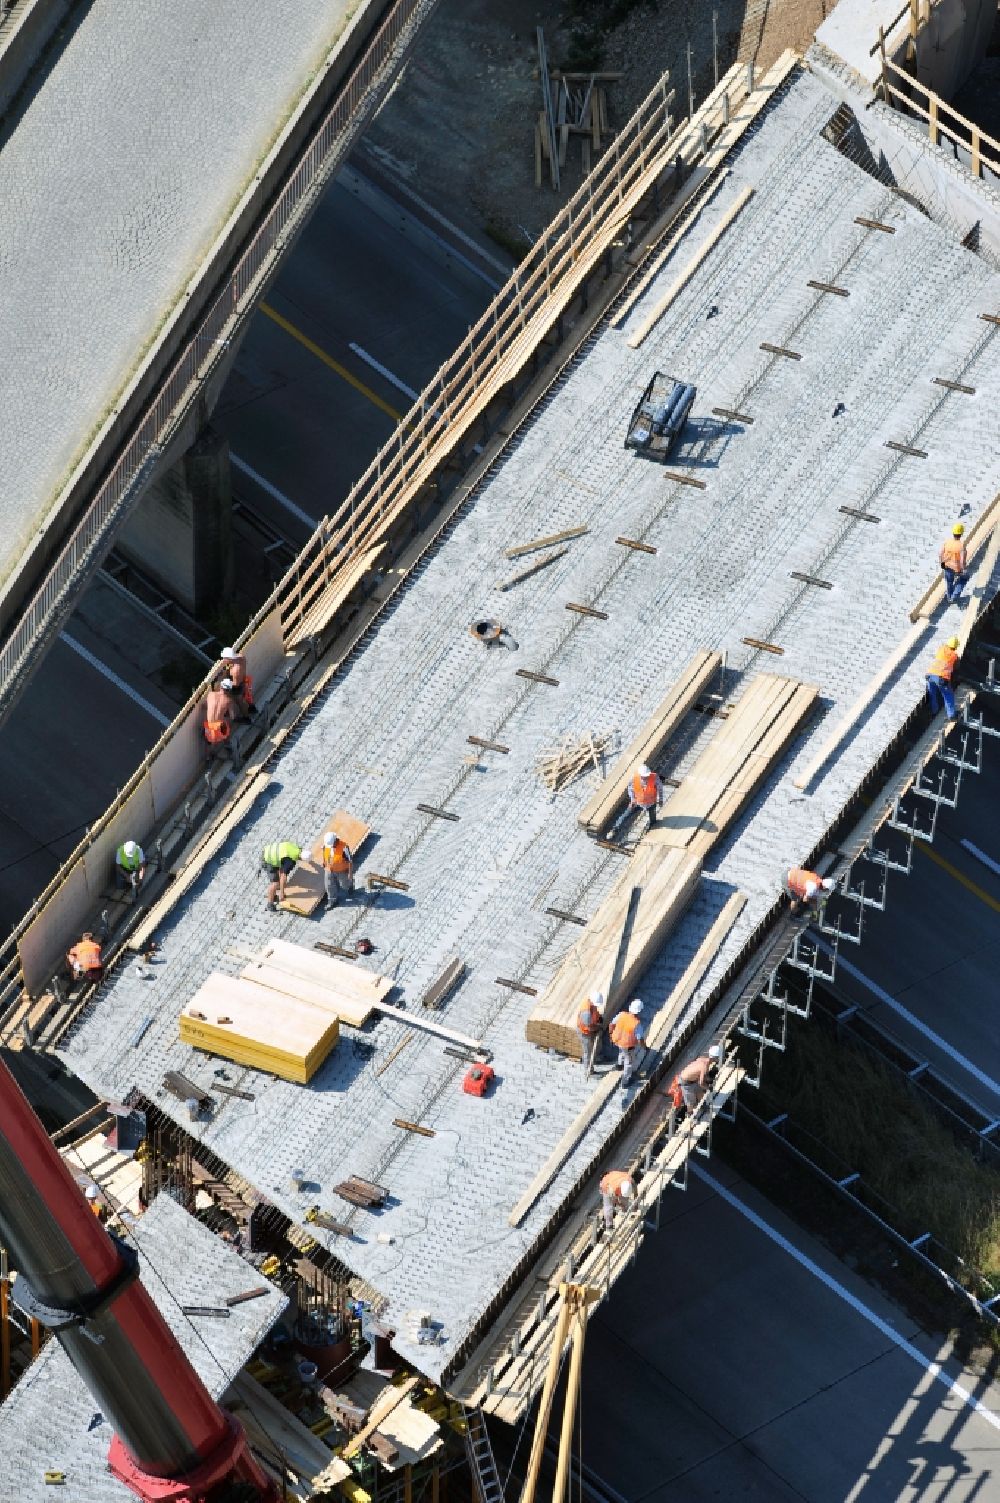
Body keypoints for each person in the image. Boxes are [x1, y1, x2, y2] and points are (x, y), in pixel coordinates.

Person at [609, 999, 646, 1088]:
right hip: (627, 1046)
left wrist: (611, 1035)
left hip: (617, 1040)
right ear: (639, 1011)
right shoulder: (636, 1023)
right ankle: (625, 1082)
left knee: (621, 1052)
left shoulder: (622, 1015)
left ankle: (619, 1065)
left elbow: (611, 1024)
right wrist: (644, 1047)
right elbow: (640, 1038)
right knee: (629, 1063)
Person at [677, 1045, 721, 1113]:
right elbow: (701, 1083)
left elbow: (702, 1075)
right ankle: (690, 1114)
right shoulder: (704, 1067)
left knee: (700, 1093)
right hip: (685, 1083)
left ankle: (703, 1106)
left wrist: (709, 1080)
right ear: (715, 1058)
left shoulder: (702, 1059)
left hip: (693, 1080)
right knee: (690, 1102)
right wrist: (708, 1088)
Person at [926, 635, 960, 722]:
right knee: (948, 695)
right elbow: (956, 667)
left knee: (932, 694)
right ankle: (952, 715)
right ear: (955, 647)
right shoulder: (954, 656)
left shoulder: (941, 649)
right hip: (941, 678)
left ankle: (934, 712)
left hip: (930, 675)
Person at [262, 840, 303, 908]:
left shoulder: (296, 848)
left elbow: (282, 869)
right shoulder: (290, 861)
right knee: (275, 883)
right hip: (267, 859)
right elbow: (283, 876)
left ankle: (274, 895)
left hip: (270, 852)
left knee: (279, 876)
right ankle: (270, 904)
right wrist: (282, 893)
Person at [203, 679, 237, 756]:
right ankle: (228, 746)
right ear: (229, 690)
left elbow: (204, 706)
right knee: (225, 726)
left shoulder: (211, 694)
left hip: (209, 726)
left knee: (209, 743)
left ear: (221, 686)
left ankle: (208, 759)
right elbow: (232, 717)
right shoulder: (229, 700)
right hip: (219, 728)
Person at [321, 831, 354, 910]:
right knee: (328, 885)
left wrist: (350, 873)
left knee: (344, 885)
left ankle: (350, 885)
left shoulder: (344, 847)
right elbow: (324, 853)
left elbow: (350, 861)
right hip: (329, 869)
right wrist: (324, 862)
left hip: (341, 870)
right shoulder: (326, 845)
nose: (331, 846)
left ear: (336, 840)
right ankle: (332, 901)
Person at [220, 647, 255, 718]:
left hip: (238, 685)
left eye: (225, 658)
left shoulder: (235, 671)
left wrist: (225, 683)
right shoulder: (241, 657)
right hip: (244, 680)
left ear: (229, 658)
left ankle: (246, 717)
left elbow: (236, 684)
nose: (223, 660)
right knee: (247, 694)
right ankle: (252, 708)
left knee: (240, 702)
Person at [576, 991, 605, 1077]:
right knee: (587, 1052)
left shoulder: (591, 1003)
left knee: (596, 1045)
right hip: (585, 1033)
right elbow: (589, 1027)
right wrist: (598, 1028)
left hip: (591, 1028)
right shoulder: (586, 1013)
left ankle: (597, 1057)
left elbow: (595, 1013)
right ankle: (588, 1070)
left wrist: (599, 1018)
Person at [627, 763, 663, 830]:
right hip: (638, 802)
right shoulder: (634, 778)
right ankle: (615, 829)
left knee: (652, 819)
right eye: (644, 776)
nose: (646, 777)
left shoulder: (654, 778)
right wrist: (632, 799)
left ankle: (652, 826)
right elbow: (630, 789)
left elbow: (660, 789)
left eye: (647, 775)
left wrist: (660, 800)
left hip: (651, 803)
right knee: (627, 814)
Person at [939, 524, 968, 605]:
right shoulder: (961, 546)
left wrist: (942, 563)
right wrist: (963, 570)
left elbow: (940, 553)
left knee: (949, 582)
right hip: (957, 568)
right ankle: (954, 595)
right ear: (961, 534)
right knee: (964, 579)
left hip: (947, 566)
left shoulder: (947, 542)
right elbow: (962, 561)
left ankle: (949, 598)